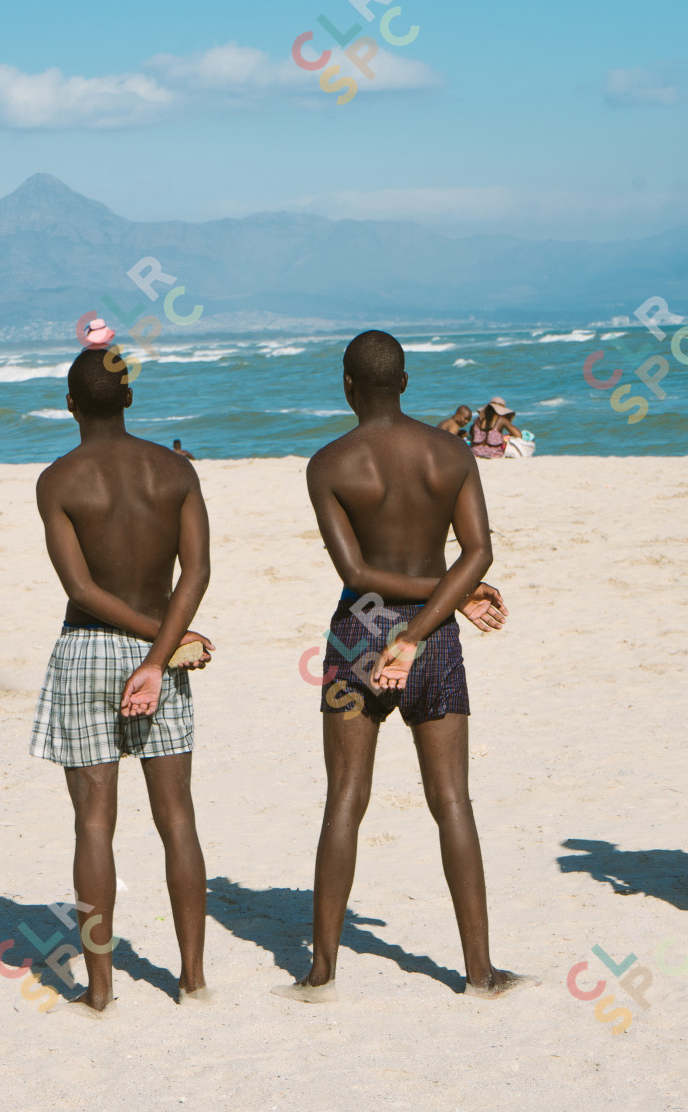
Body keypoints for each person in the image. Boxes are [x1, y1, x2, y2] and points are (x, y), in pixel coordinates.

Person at [275, 331, 529, 1003]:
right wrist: (430, 620)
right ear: (407, 383)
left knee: (345, 801)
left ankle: (321, 972)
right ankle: (480, 973)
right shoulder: (449, 452)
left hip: (357, 635)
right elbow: (478, 555)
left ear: (348, 385)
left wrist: (401, 625)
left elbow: (357, 574)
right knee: (452, 803)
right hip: (436, 639)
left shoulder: (327, 464)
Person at [29, 348, 216, 1011]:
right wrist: (162, 652)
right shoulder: (174, 471)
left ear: (70, 405)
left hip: (88, 650)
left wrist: (149, 646)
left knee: (93, 825)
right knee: (178, 821)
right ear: (130, 400)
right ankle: (191, 980)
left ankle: (101, 990)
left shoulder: (58, 480)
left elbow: (79, 585)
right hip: (161, 650)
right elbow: (196, 574)